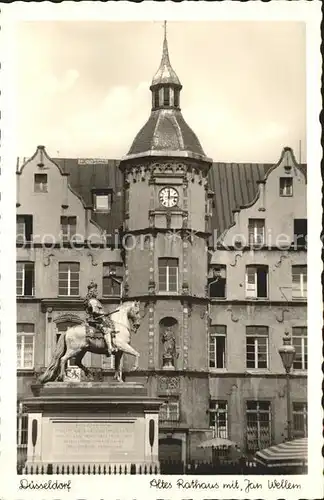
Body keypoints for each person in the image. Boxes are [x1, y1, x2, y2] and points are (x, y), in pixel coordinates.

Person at [84, 281, 117, 356]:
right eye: (95, 291)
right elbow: (95, 311)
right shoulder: (93, 301)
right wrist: (103, 313)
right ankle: (110, 348)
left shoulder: (94, 300)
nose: (97, 292)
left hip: (96, 319)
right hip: (95, 320)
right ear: (92, 292)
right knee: (107, 330)